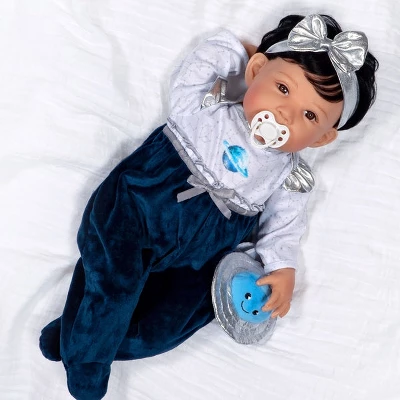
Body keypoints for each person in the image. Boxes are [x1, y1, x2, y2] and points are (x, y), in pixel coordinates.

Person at [39, 14, 378, 400]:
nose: (286, 113)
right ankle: (88, 362)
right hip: (137, 207)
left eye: (310, 115)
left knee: (166, 327)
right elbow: (196, 68)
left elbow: (284, 227)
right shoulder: (209, 105)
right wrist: (236, 51)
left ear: (321, 139)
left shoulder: (288, 175)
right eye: (283, 88)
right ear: (257, 71)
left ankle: (77, 337)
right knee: (113, 282)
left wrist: (282, 268)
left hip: (198, 257)